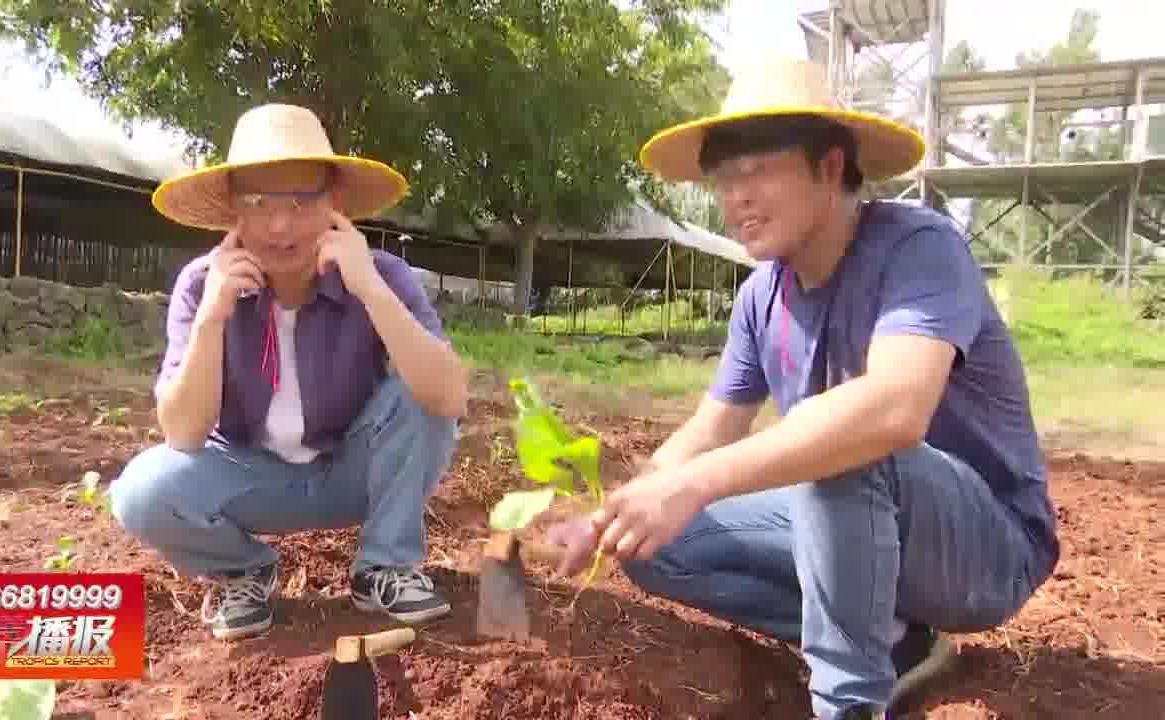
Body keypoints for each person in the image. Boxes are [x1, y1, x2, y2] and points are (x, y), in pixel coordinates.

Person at [545, 60, 1060, 719]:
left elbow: (895, 410)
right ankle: (896, 643)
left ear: (829, 166)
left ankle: (848, 703)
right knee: (652, 544)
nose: (735, 198)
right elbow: (709, 429)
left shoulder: (918, 248)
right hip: (864, 519)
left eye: (756, 170)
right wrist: (609, 517)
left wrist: (697, 484)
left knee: (839, 441)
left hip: (985, 549)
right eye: (722, 180)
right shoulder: (762, 297)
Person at [109, 104, 468, 642]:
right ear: (233, 209)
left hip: (353, 472)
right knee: (141, 492)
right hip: (251, 480)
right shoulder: (200, 284)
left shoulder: (380, 274)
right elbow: (182, 433)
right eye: (257, 202)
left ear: (335, 204)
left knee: (423, 389)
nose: (280, 226)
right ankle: (244, 571)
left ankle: (385, 567)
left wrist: (368, 287)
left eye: (302, 201)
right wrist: (212, 318)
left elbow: (449, 397)